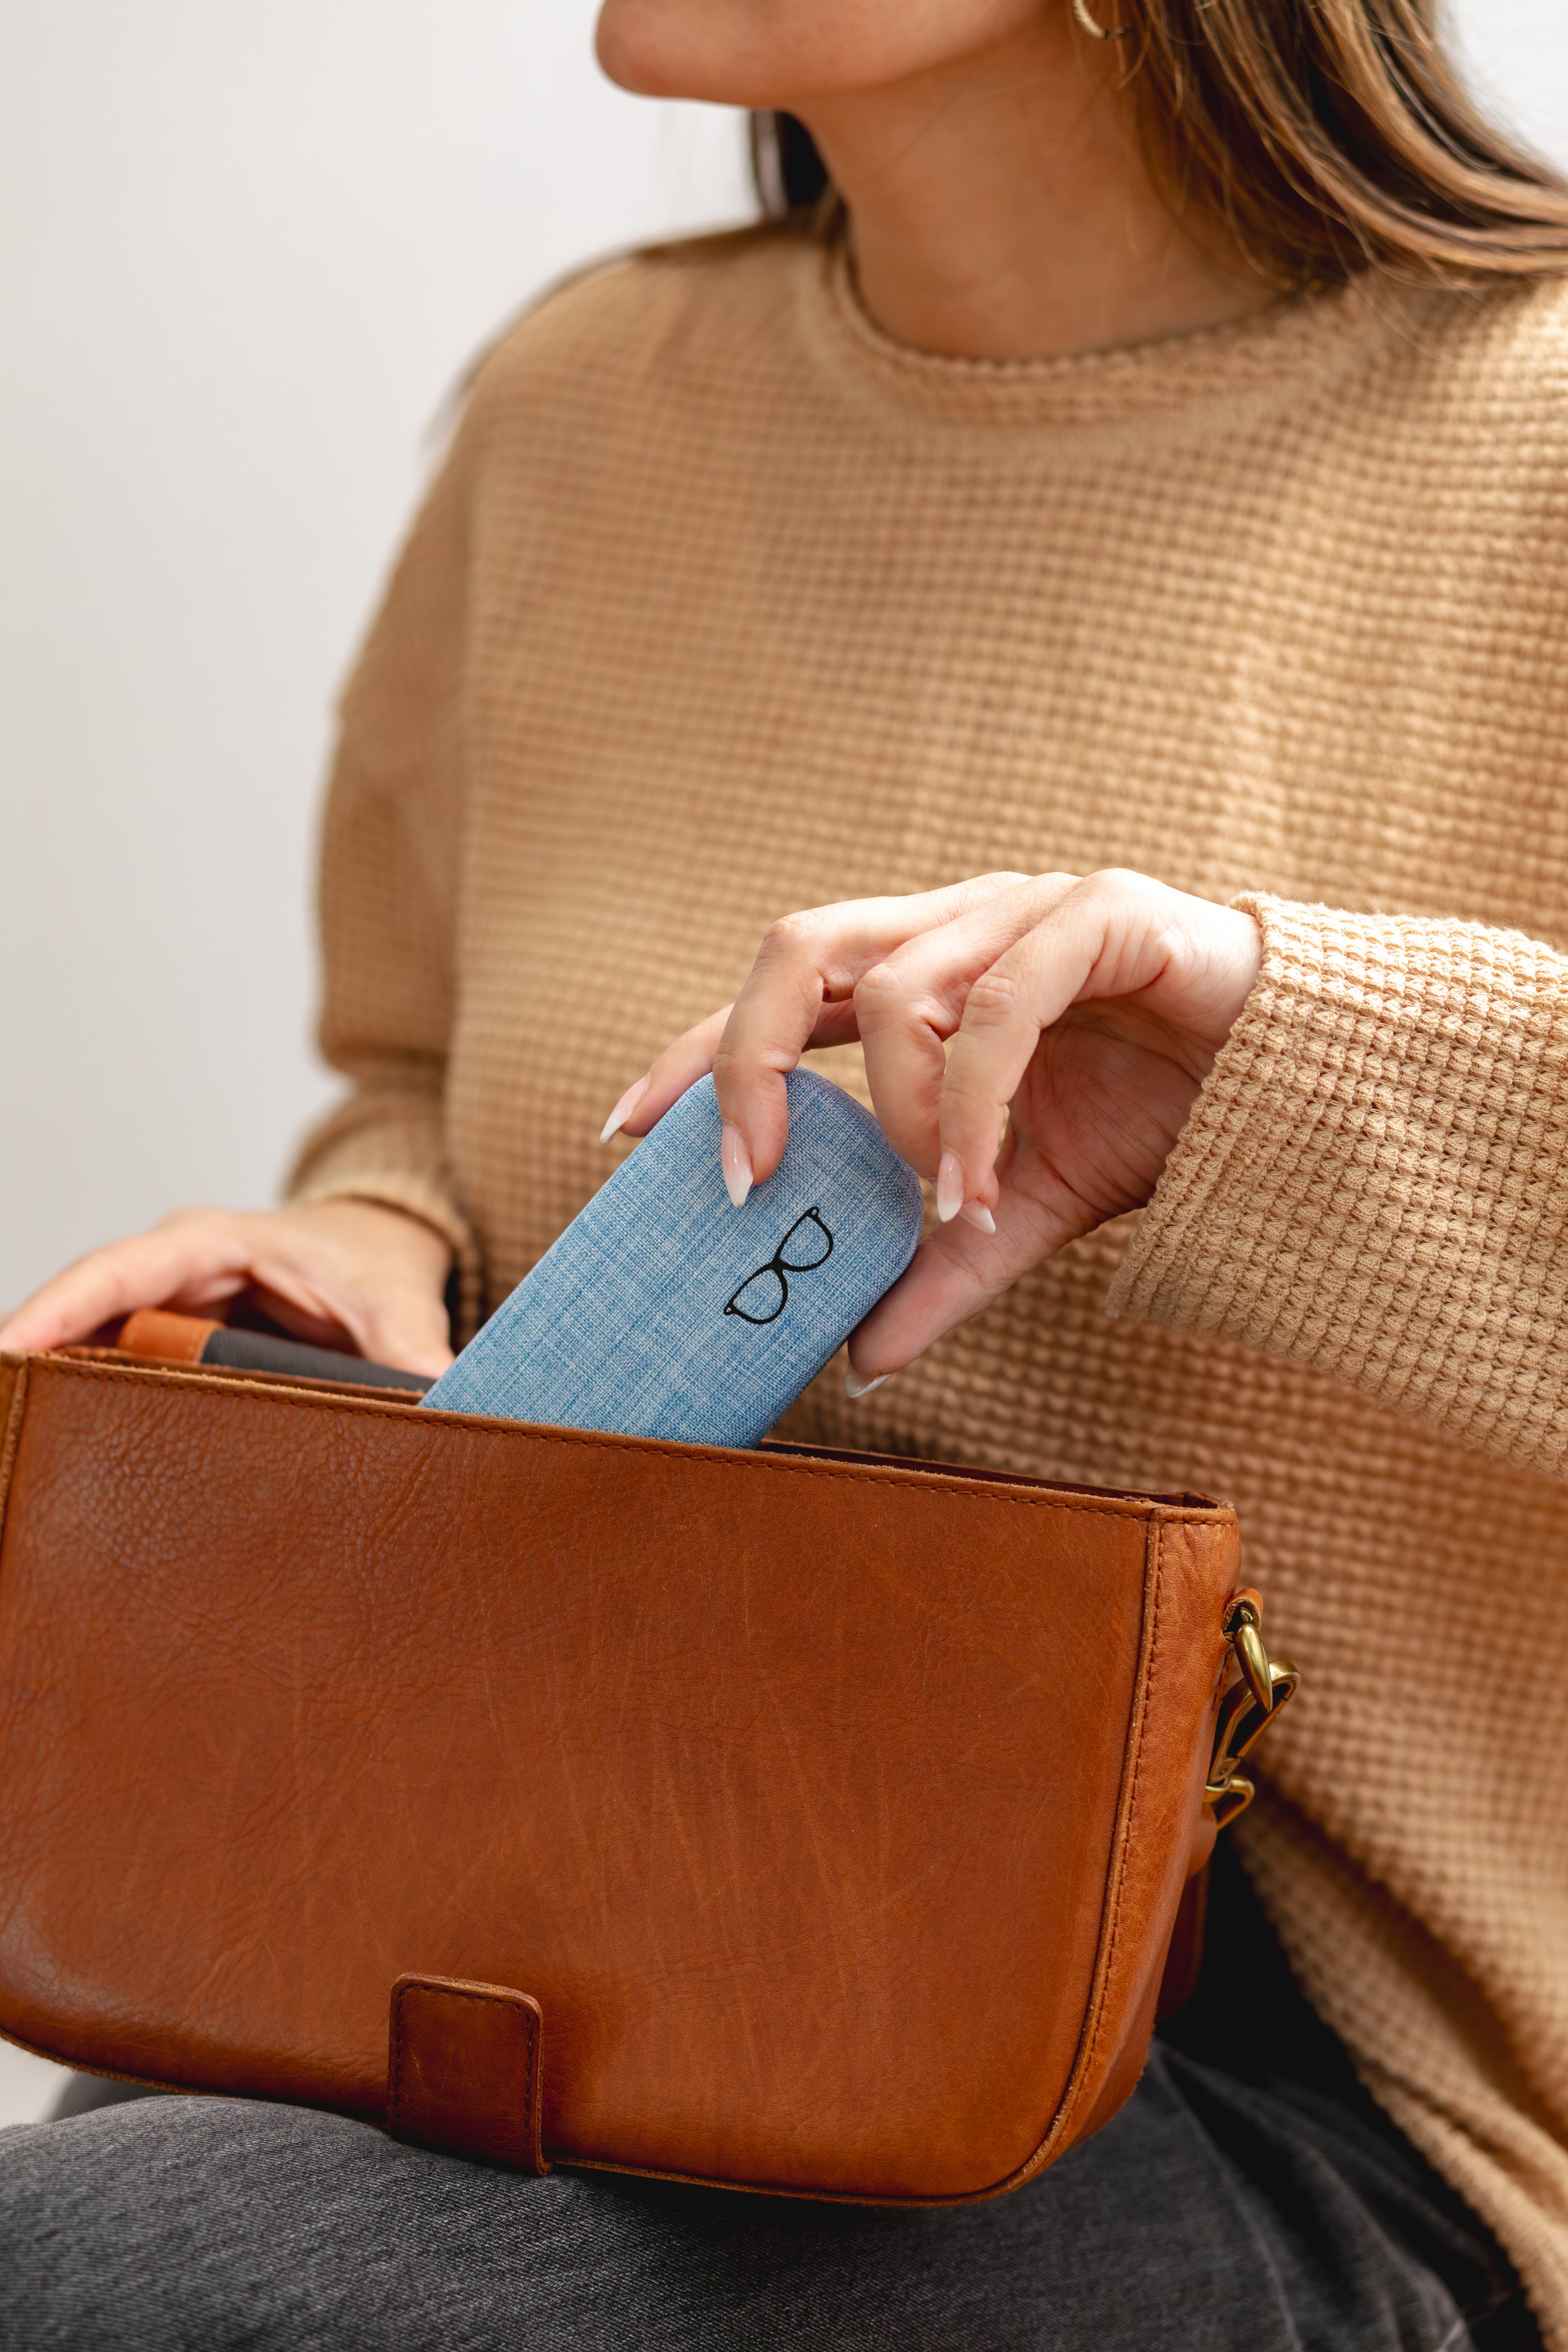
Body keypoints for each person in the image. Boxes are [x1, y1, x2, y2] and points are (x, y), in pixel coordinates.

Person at [1, 1, 1565, 2344]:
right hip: (549, 1863)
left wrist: (1270, 1026)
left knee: (126, 2272)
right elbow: (418, 1068)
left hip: (1329, 2088)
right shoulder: (585, 411)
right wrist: (377, 1225)